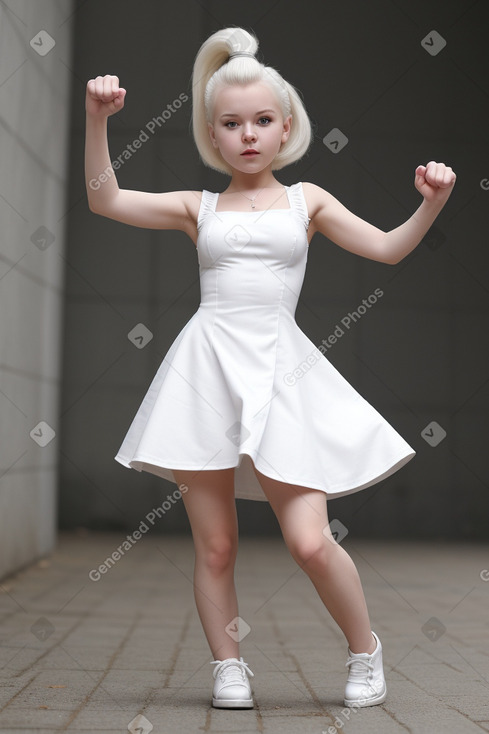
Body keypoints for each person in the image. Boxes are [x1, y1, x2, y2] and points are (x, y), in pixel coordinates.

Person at [84, 26, 456, 710]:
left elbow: (386, 249)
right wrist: (98, 120)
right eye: (230, 123)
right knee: (216, 546)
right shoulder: (199, 209)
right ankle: (228, 666)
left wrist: (430, 202)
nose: (247, 134)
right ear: (211, 133)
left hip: (283, 374)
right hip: (205, 374)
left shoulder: (305, 200)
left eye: (261, 121)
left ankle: (365, 650)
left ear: (285, 127)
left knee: (310, 542)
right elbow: (105, 198)